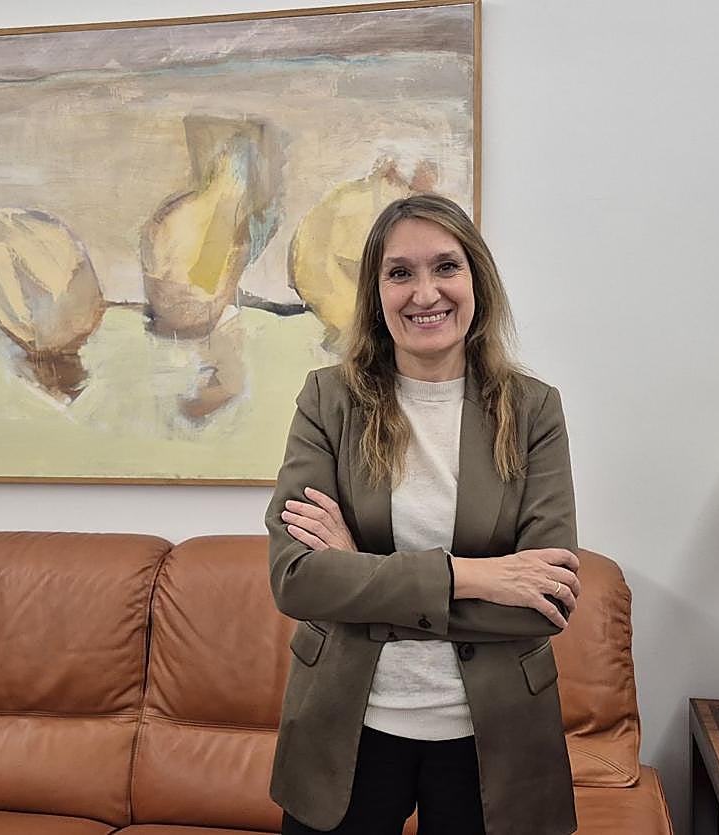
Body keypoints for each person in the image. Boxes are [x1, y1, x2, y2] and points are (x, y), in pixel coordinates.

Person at [265, 194, 580, 835]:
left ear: (476, 280)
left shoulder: (534, 411)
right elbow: (298, 580)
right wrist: (477, 576)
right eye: (400, 272)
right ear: (376, 293)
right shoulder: (328, 400)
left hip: (492, 737)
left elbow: (544, 600)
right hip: (348, 727)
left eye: (446, 267)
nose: (425, 292)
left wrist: (359, 571)